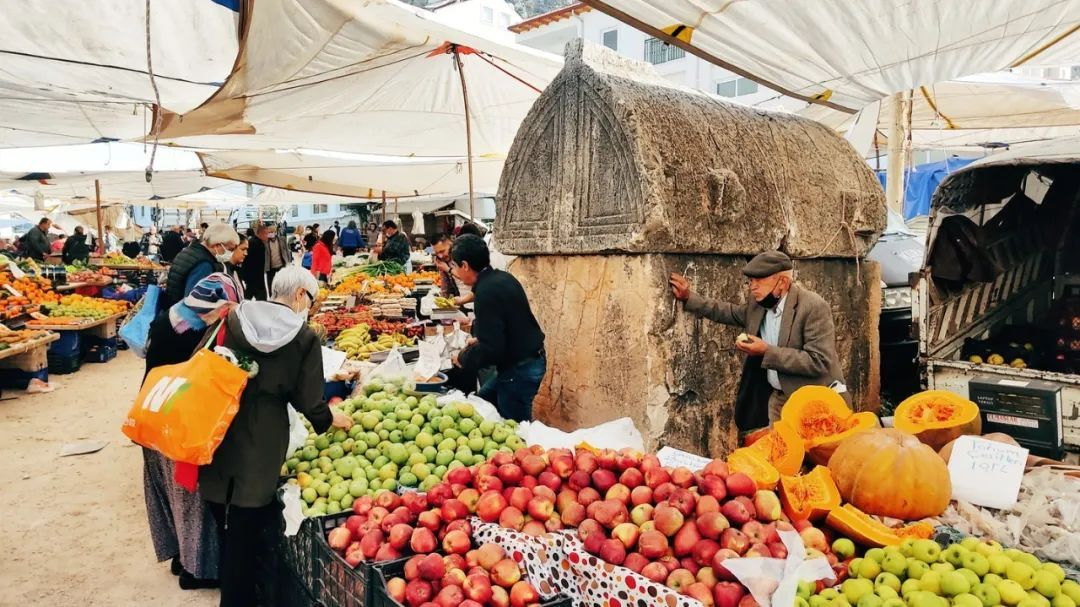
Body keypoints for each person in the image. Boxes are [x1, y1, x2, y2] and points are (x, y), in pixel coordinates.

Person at [200, 266, 352, 606]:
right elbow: (310, 401)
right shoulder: (304, 337)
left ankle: (233, 591)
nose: (309, 306)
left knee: (224, 524)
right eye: (310, 299)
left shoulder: (233, 317)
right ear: (300, 294)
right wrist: (331, 418)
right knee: (246, 531)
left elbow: (203, 359)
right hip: (262, 439)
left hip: (219, 426)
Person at [141, 273, 243, 591]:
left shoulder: (167, 318)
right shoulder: (198, 331)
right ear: (216, 307)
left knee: (168, 496)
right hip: (180, 422)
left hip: (154, 413)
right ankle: (197, 571)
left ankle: (179, 557)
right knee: (190, 499)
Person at [669, 250, 847, 429]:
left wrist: (766, 351)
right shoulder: (758, 305)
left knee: (818, 455)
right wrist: (689, 297)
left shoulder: (812, 306)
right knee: (782, 453)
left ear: (782, 282)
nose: (752, 287)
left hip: (816, 403)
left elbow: (819, 361)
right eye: (751, 281)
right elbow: (727, 312)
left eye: (758, 281)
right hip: (780, 400)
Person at [450, 235, 545, 421]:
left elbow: (491, 349)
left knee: (515, 428)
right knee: (481, 405)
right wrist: (480, 339)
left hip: (520, 369)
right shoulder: (502, 278)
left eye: (454, 266)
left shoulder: (487, 292)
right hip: (523, 362)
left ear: (465, 265)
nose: (454, 272)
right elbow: (509, 325)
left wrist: (463, 358)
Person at [162, 223, 240, 310]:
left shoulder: (188, 251)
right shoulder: (204, 264)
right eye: (230, 249)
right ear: (217, 245)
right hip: (185, 319)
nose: (231, 254)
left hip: (173, 309)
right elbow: (196, 302)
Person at [432, 233, 472, 306]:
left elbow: (469, 278)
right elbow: (445, 283)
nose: (440, 256)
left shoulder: (464, 255)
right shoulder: (444, 261)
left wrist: (448, 269)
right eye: (437, 253)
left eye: (442, 251)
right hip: (462, 301)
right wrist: (444, 301)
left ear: (450, 244)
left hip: (475, 299)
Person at [241, 224, 268, 300]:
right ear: (260, 233)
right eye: (266, 233)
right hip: (254, 277)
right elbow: (247, 261)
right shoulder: (255, 243)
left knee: (249, 296)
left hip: (255, 277)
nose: (267, 236)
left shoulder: (257, 242)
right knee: (259, 299)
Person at [264, 223, 292, 292]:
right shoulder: (265, 242)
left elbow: (287, 250)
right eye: (268, 232)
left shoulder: (282, 239)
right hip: (270, 267)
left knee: (283, 282)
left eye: (271, 232)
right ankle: (272, 297)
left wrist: (288, 261)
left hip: (281, 265)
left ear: (275, 232)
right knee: (270, 284)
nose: (270, 234)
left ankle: (283, 293)